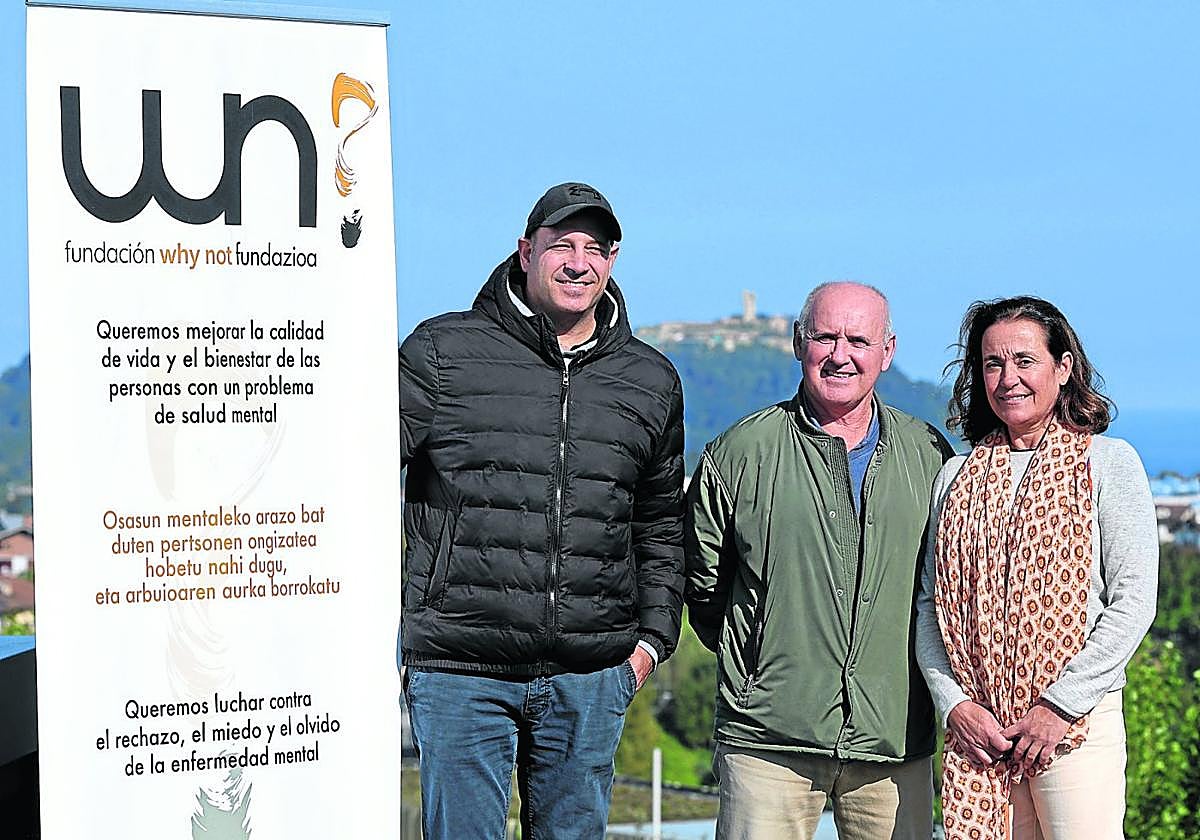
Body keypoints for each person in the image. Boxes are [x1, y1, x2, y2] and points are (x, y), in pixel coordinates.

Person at [399, 182, 685, 839]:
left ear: (612, 261)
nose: (578, 262)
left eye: (595, 248)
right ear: (526, 251)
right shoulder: (443, 354)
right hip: (460, 669)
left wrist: (648, 645)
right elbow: (356, 468)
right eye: (561, 245)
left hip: (591, 675)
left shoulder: (650, 381)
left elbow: (661, 522)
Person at [685, 281, 953, 840]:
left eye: (858, 339)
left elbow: (948, 587)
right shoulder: (740, 452)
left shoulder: (930, 454)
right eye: (825, 337)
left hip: (895, 737)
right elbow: (704, 585)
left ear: (889, 350)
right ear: (797, 341)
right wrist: (761, 663)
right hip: (768, 738)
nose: (840, 354)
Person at [916, 295, 1158, 840]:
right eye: (993, 363)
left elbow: (1134, 600)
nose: (1008, 379)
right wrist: (953, 704)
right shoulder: (954, 477)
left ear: (1063, 366)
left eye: (1024, 361)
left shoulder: (1108, 463)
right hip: (982, 736)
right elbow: (930, 606)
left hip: (1075, 729)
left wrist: (1058, 707)